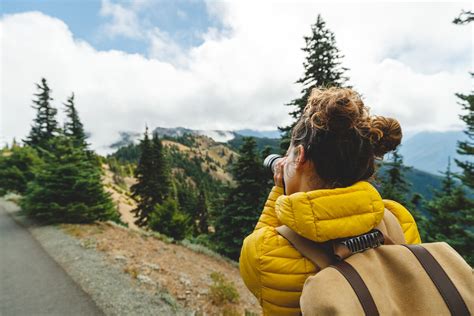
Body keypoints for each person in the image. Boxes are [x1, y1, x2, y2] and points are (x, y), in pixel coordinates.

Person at [239, 87, 421, 315]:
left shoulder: (265, 251)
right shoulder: (398, 219)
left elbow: (256, 250)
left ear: (301, 156)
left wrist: (280, 190)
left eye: (290, 153)